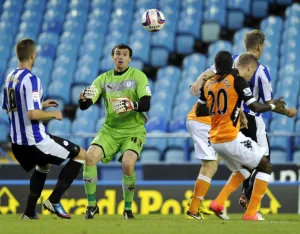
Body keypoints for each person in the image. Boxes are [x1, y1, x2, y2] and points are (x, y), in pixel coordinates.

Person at [190, 30, 296, 210]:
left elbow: (208, 74)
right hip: (252, 119)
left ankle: (200, 204)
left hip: (230, 120)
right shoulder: (261, 70)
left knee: (220, 163)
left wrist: (197, 82)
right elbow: (267, 102)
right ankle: (249, 203)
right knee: (264, 162)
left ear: (245, 45)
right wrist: (286, 112)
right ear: (260, 46)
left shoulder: (231, 61)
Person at [1, 38, 86, 220]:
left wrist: (41, 104)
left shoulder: (9, 78)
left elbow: (12, 108)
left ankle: (29, 213)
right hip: (36, 141)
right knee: (81, 155)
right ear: (33, 55)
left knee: (43, 165)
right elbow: (32, 115)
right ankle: (54, 200)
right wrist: (52, 114)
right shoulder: (32, 80)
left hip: (17, 143)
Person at [78, 43, 151, 220]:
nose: (121, 57)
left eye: (125, 54)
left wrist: (132, 105)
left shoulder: (138, 76)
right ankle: (92, 206)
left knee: (127, 163)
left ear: (129, 58)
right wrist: (82, 99)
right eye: (118, 54)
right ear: (112, 57)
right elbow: (85, 105)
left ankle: (127, 208)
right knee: (89, 157)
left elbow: (146, 104)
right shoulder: (103, 79)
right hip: (110, 131)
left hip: (133, 130)